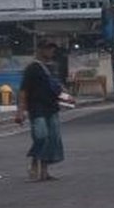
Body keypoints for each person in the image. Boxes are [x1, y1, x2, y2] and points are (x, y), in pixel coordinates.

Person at [15, 41, 73, 181]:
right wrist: (20, 111)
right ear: (40, 50)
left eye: (52, 48)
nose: (51, 51)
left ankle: (45, 172)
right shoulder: (32, 68)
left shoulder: (53, 67)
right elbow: (23, 91)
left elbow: (57, 86)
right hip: (36, 108)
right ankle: (34, 164)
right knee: (41, 136)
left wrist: (67, 96)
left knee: (52, 139)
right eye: (48, 48)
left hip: (52, 107)